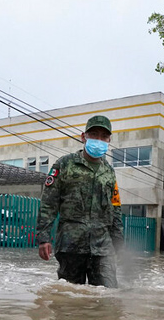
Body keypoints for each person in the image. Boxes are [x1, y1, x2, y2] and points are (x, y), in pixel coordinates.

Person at [36, 115, 124, 287]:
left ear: (109, 140)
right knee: (69, 300)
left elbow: (116, 208)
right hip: (71, 245)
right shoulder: (64, 165)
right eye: (94, 134)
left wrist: (119, 242)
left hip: (102, 246)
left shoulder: (109, 172)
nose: (99, 140)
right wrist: (43, 237)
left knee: (107, 297)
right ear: (83, 137)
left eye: (104, 136)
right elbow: (49, 203)